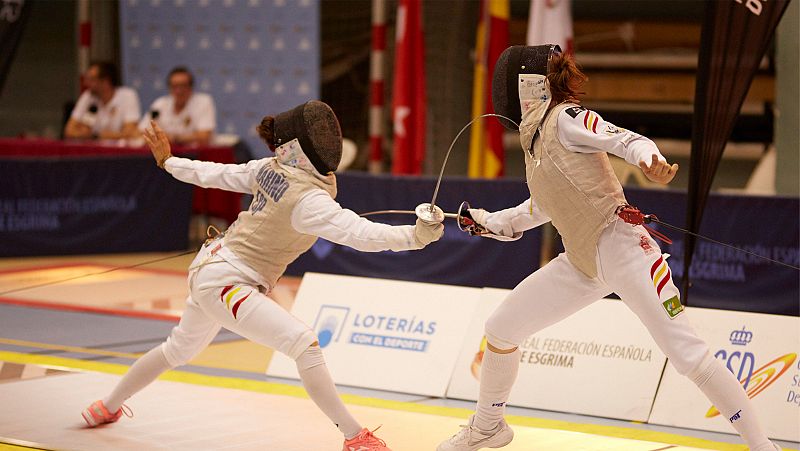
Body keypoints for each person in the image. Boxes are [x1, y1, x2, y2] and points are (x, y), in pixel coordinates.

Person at [437, 45, 780, 451]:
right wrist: (483, 220)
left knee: (686, 353)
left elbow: (624, 139)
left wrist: (649, 160)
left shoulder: (564, 118)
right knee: (501, 328)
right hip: (582, 263)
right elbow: (542, 206)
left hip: (624, 249)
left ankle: (765, 448)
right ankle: (489, 427)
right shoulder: (536, 143)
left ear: (527, 85)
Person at [81, 100, 444, 451]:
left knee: (177, 349)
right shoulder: (308, 200)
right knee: (304, 344)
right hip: (226, 281)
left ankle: (107, 405)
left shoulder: (269, 169)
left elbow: (214, 174)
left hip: (213, 267)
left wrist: (169, 162)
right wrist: (413, 236)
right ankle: (355, 437)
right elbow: (362, 234)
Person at [139, 66, 216, 146]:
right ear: (169, 88)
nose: (179, 91)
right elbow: (143, 131)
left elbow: (204, 136)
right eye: (174, 86)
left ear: (191, 87)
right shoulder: (160, 104)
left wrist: (174, 138)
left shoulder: (203, 102)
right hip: (166, 155)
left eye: (183, 86)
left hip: (195, 155)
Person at [64, 61, 141, 140]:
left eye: (92, 79)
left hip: (119, 151)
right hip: (93, 150)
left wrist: (95, 136)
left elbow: (130, 133)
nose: (86, 83)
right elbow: (69, 131)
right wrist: (97, 136)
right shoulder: (88, 96)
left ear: (105, 81)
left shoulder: (127, 95)